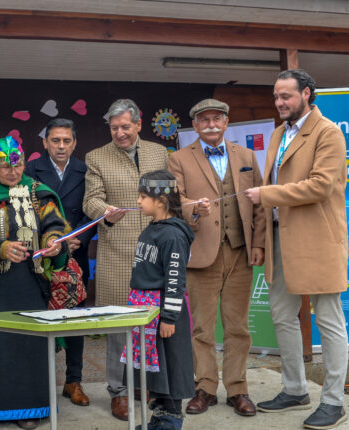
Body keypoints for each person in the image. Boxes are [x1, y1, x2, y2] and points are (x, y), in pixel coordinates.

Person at [245, 69, 349, 429]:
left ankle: (333, 402)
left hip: (318, 240)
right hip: (279, 239)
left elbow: (320, 186)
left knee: (329, 320)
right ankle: (294, 389)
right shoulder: (278, 134)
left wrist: (267, 194)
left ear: (307, 93)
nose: (279, 102)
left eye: (286, 95)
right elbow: (268, 192)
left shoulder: (328, 132)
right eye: (276, 96)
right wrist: (261, 241)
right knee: (281, 315)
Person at [0, 136, 70, 429]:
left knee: (29, 344)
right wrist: (0, 248)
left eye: (17, 166)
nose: (13, 171)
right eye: (6, 167)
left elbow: (55, 224)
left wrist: (54, 241)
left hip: (31, 283)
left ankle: (29, 410)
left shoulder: (37, 192)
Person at [167, 99, 265, 417]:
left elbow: (260, 204)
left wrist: (259, 244)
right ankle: (205, 388)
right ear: (195, 126)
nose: (211, 124)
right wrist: (194, 208)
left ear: (226, 122)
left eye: (217, 118)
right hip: (201, 253)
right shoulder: (179, 158)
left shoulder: (246, 156)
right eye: (204, 119)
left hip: (240, 251)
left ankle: (238, 389)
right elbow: (174, 201)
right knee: (202, 328)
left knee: (238, 327)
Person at [82, 98, 169, 420]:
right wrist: (104, 212)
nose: (120, 133)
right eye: (114, 127)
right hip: (117, 252)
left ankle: (145, 384)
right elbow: (91, 200)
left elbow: (168, 195)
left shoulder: (158, 153)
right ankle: (118, 390)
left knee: (151, 322)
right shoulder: (97, 157)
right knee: (119, 325)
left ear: (138, 124)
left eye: (125, 127)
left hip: (155, 251)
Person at [25, 117, 94, 407]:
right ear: (45, 142)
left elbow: (92, 207)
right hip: (45, 256)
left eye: (67, 141)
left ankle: (73, 381)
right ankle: (39, 382)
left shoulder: (85, 170)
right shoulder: (30, 170)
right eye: (55, 140)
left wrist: (81, 236)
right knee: (42, 318)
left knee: (76, 319)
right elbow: (26, 211)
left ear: (75, 143)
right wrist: (54, 241)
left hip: (76, 255)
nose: (61, 146)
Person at [129, 170, 194, 430]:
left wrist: (168, 318)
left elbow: (176, 280)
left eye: (143, 196)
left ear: (161, 201)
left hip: (163, 314)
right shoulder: (152, 229)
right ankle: (159, 419)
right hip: (146, 311)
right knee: (157, 372)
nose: (138, 201)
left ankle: (170, 421)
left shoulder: (173, 236)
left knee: (170, 369)